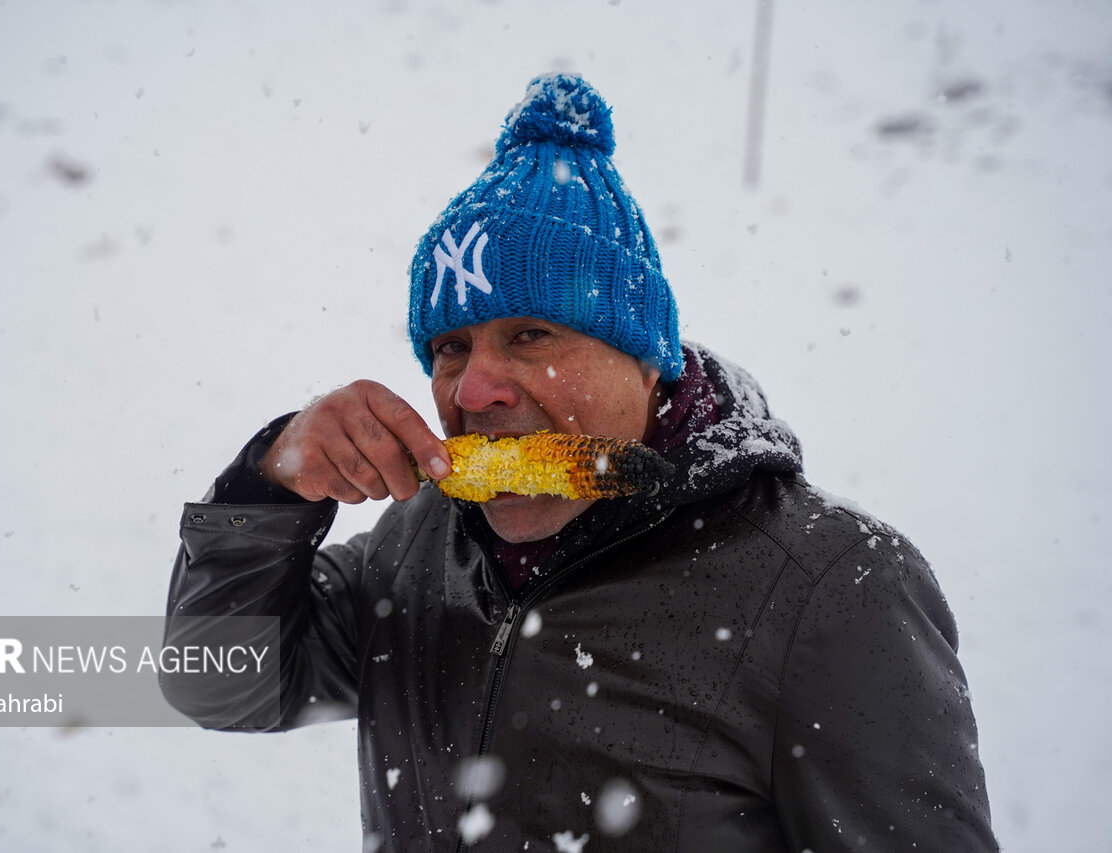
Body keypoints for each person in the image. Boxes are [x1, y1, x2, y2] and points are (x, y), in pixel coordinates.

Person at [162, 73, 997, 852]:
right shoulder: (415, 543)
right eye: (451, 347)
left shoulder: (832, 587)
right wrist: (267, 487)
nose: (475, 388)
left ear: (646, 362)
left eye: (531, 334)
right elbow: (216, 683)